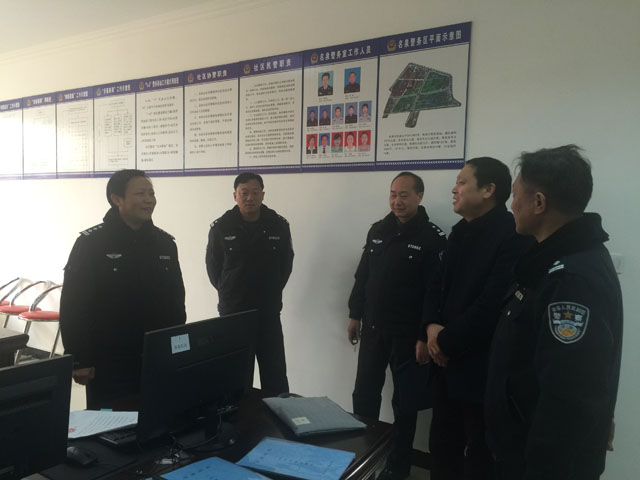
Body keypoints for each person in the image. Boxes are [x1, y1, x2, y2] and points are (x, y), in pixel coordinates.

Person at [485, 145, 623, 480]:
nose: (511, 205)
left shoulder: (570, 280)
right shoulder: (556, 261)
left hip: (540, 465)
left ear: (538, 202)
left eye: (515, 194)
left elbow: (570, 397)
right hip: (519, 449)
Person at [417, 157, 532, 480]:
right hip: (445, 364)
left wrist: (443, 340)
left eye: (462, 182)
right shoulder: (459, 232)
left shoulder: (513, 236)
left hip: (481, 369)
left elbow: (492, 304)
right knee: (442, 448)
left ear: (488, 190)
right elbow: (436, 286)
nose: (454, 189)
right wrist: (430, 327)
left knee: (480, 456)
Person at [59, 169, 186, 410]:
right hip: (109, 360)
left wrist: (178, 345)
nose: (149, 200)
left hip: (155, 355)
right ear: (117, 199)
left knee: (157, 417)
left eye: (151, 193)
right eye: (140, 194)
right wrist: (79, 358)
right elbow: (74, 304)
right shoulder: (91, 243)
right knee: (110, 425)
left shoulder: (165, 243)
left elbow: (176, 300)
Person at [349, 172, 446, 480]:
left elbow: (435, 292)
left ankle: (398, 467)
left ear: (419, 196)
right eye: (393, 194)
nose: (397, 201)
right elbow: (363, 275)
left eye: (404, 195)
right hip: (373, 330)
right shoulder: (378, 230)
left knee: (405, 404)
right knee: (364, 396)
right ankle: (362, 458)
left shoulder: (432, 238)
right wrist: (354, 314)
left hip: (408, 336)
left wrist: (424, 336)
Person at [206, 172, 294, 394]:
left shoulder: (278, 225)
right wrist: (232, 292)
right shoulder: (221, 228)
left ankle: (276, 415)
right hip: (234, 313)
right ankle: (236, 414)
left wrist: (271, 290)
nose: (250, 198)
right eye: (244, 193)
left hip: (268, 312)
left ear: (263, 195)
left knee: (275, 375)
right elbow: (214, 270)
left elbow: (285, 265)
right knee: (235, 374)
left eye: (255, 193)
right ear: (235, 196)